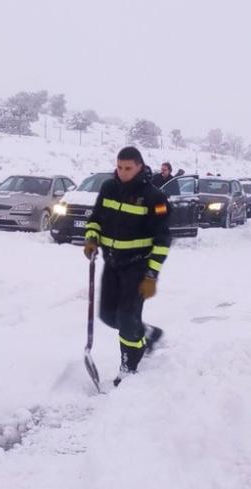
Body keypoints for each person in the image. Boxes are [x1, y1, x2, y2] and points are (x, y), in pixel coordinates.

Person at [83, 147, 171, 386]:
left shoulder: (154, 197)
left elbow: (163, 239)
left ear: (139, 167)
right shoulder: (108, 188)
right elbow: (95, 219)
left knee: (126, 318)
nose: (122, 172)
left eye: (128, 168)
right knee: (108, 316)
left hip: (138, 266)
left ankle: (128, 367)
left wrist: (151, 275)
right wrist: (91, 238)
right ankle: (147, 334)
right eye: (119, 167)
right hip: (112, 263)